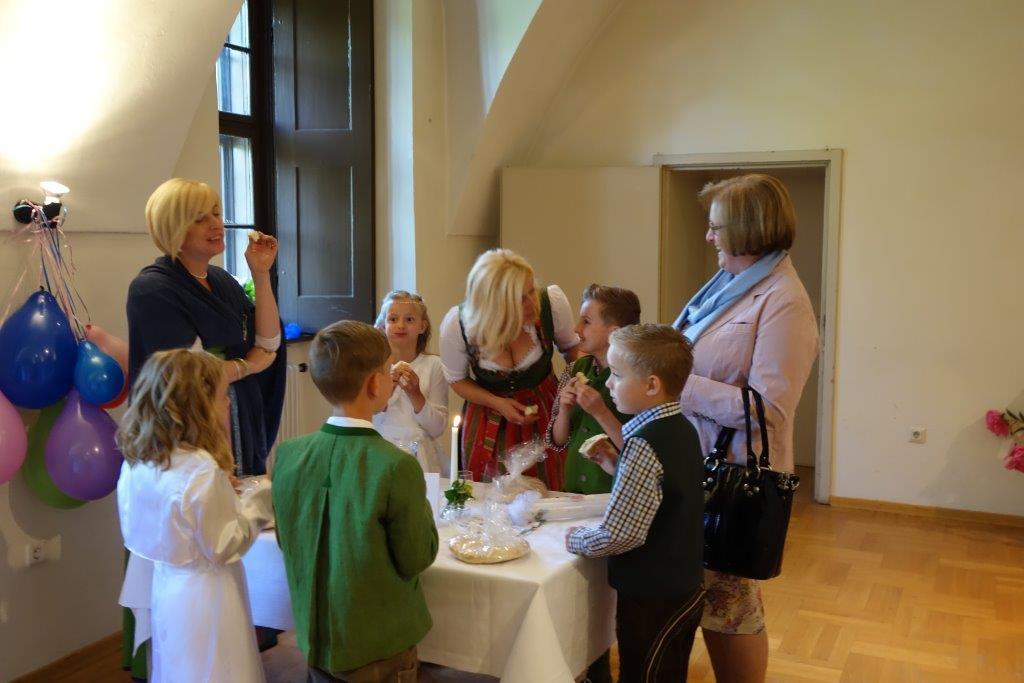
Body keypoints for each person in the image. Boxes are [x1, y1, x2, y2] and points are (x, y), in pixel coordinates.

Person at [123, 178, 286, 676]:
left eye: (216, 212)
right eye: (201, 217)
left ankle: (249, 628)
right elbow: (189, 373)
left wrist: (261, 274)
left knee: (228, 520)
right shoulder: (153, 288)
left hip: (237, 410)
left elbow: (268, 341)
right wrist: (245, 366)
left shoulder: (223, 281)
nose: (217, 224)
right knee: (211, 530)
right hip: (197, 423)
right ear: (174, 226)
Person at [672, 174, 819, 683]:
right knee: (712, 598)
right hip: (694, 464)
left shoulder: (785, 300)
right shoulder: (728, 286)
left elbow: (768, 410)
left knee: (730, 604)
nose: (708, 236)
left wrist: (679, 384)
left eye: (716, 227)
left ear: (747, 229)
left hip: (731, 475)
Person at [272, 321, 439, 681]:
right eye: (388, 370)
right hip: (378, 644)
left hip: (315, 634)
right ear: (375, 384)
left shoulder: (288, 454)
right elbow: (416, 557)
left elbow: (289, 540)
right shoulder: (396, 466)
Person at [116, 349, 274, 682]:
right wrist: (260, 498)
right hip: (208, 592)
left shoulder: (137, 463)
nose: (228, 404)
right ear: (198, 406)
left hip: (166, 587)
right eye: (222, 397)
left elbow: (156, 525)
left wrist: (220, 494)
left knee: (180, 666)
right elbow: (225, 545)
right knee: (219, 667)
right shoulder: (200, 470)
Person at [565, 324, 705, 683]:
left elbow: (622, 534)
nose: (609, 384)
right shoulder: (683, 428)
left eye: (616, 374)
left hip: (652, 595)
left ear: (651, 385)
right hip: (683, 584)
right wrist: (617, 467)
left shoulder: (644, 443)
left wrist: (576, 538)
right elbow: (666, 493)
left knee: (643, 673)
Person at [439, 249, 580, 489]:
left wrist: (578, 387)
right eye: (520, 299)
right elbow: (457, 380)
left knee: (551, 490)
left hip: (546, 414)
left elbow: (573, 351)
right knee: (490, 493)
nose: (532, 303)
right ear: (494, 304)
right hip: (488, 421)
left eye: (531, 291)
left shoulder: (551, 304)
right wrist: (498, 403)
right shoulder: (459, 324)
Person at [546, 284, 641, 495]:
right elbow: (558, 441)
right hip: (573, 492)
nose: (576, 328)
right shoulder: (576, 369)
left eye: (586, 321)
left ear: (614, 333)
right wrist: (564, 409)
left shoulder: (635, 378)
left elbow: (640, 451)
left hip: (611, 494)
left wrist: (601, 412)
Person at [372, 290, 449, 474]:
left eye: (409, 319)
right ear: (382, 325)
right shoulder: (373, 366)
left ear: (422, 326)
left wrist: (416, 394)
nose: (401, 325)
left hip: (420, 458)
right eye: (393, 319)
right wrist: (388, 390)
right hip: (380, 452)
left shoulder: (434, 365)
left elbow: (437, 428)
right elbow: (368, 417)